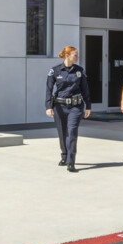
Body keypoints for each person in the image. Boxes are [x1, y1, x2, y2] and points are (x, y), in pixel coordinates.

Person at [44, 45, 91, 173]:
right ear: (67, 56)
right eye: (75, 55)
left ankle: (71, 161)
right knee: (62, 133)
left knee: (72, 132)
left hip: (76, 107)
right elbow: (49, 89)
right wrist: (48, 106)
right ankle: (64, 155)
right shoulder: (55, 71)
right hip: (59, 106)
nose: (77, 57)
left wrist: (88, 106)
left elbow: (85, 89)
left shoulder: (79, 71)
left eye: (77, 55)